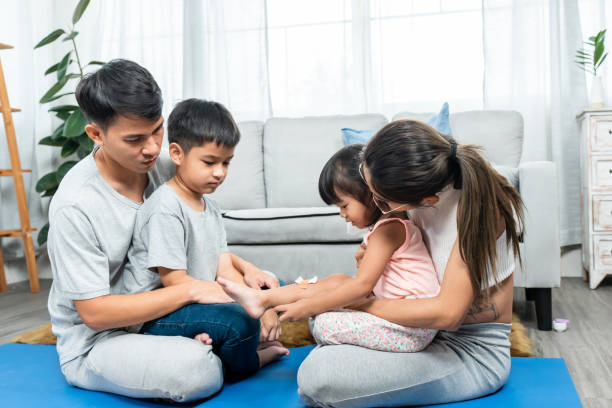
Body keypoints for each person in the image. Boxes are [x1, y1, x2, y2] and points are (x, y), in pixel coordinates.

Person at [46, 59, 280, 403]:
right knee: (196, 371)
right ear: (96, 134)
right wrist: (195, 292)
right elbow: (94, 314)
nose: (153, 148)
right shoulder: (75, 205)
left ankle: (206, 341)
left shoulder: (162, 168)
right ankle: (208, 349)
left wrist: (248, 274)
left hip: (165, 313)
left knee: (268, 282)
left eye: (157, 130)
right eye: (135, 139)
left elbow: (203, 236)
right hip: (99, 341)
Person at [296, 120, 524, 407]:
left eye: (382, 201)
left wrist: (358, 304)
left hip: (469, 350)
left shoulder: (478, 208)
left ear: (427, 199)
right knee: (323, 334)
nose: (377, 206)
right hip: (418, 331)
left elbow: (447, 315)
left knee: (319, 377)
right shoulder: (417, 193)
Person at [121, 98, 289, 378]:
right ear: (176, 153)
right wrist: (252, 309)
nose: (220, 172)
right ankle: (248, 361)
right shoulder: (166, 207)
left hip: (194, 301)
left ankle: (206, 342)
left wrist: (263, 300)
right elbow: (175, 282)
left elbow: (224, 267)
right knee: (241, 323)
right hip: (157, 315)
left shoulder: (209, 207)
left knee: (274, 288)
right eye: (210, 162)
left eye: (226, 162)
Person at [219, 144, 440, 353]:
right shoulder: (387, 228)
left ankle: (271, 301)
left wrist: (310, 307)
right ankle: (264, 299)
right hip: (398, 315)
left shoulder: (389, 229)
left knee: (322, 322)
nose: (343, 215)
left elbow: (363, 286)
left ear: (371, 195)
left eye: (344, 206)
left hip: (412, 328)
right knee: (338, 281)